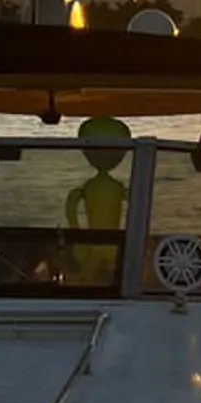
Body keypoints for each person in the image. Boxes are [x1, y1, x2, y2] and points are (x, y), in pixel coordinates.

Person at [63, 116, 132, 283]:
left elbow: (72, 204)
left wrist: (77, 234)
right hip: (103, 243)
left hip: (103, 243)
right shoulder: (105, 187)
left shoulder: (94, 187)